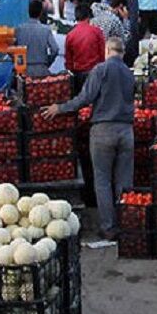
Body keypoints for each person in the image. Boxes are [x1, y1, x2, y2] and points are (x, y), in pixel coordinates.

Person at [42, 36, 134, 241]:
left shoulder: (100, 70)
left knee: (102, 180)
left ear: (108, 50)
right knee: (124, 181)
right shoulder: (129, 73)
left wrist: (60, 108)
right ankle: (127, 224)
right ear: (122, 52)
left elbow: (85, 98)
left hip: (103, 131)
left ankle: (109, 227)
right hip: (127, 131)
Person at [65, 3, 106, 91]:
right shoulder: (97, 31)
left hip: (78, 75)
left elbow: (69, 60)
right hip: (95, 72)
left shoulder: (70, 35)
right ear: (88, 16)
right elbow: (103, 54)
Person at [15, 0, 59, 77]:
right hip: (42, 69)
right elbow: (55, 49)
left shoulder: (19, 29)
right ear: (41, 12)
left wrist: (17, 61)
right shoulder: (46, 29)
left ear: (28, 12)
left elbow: (11, 48)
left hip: (24, 70)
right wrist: (48, 62)